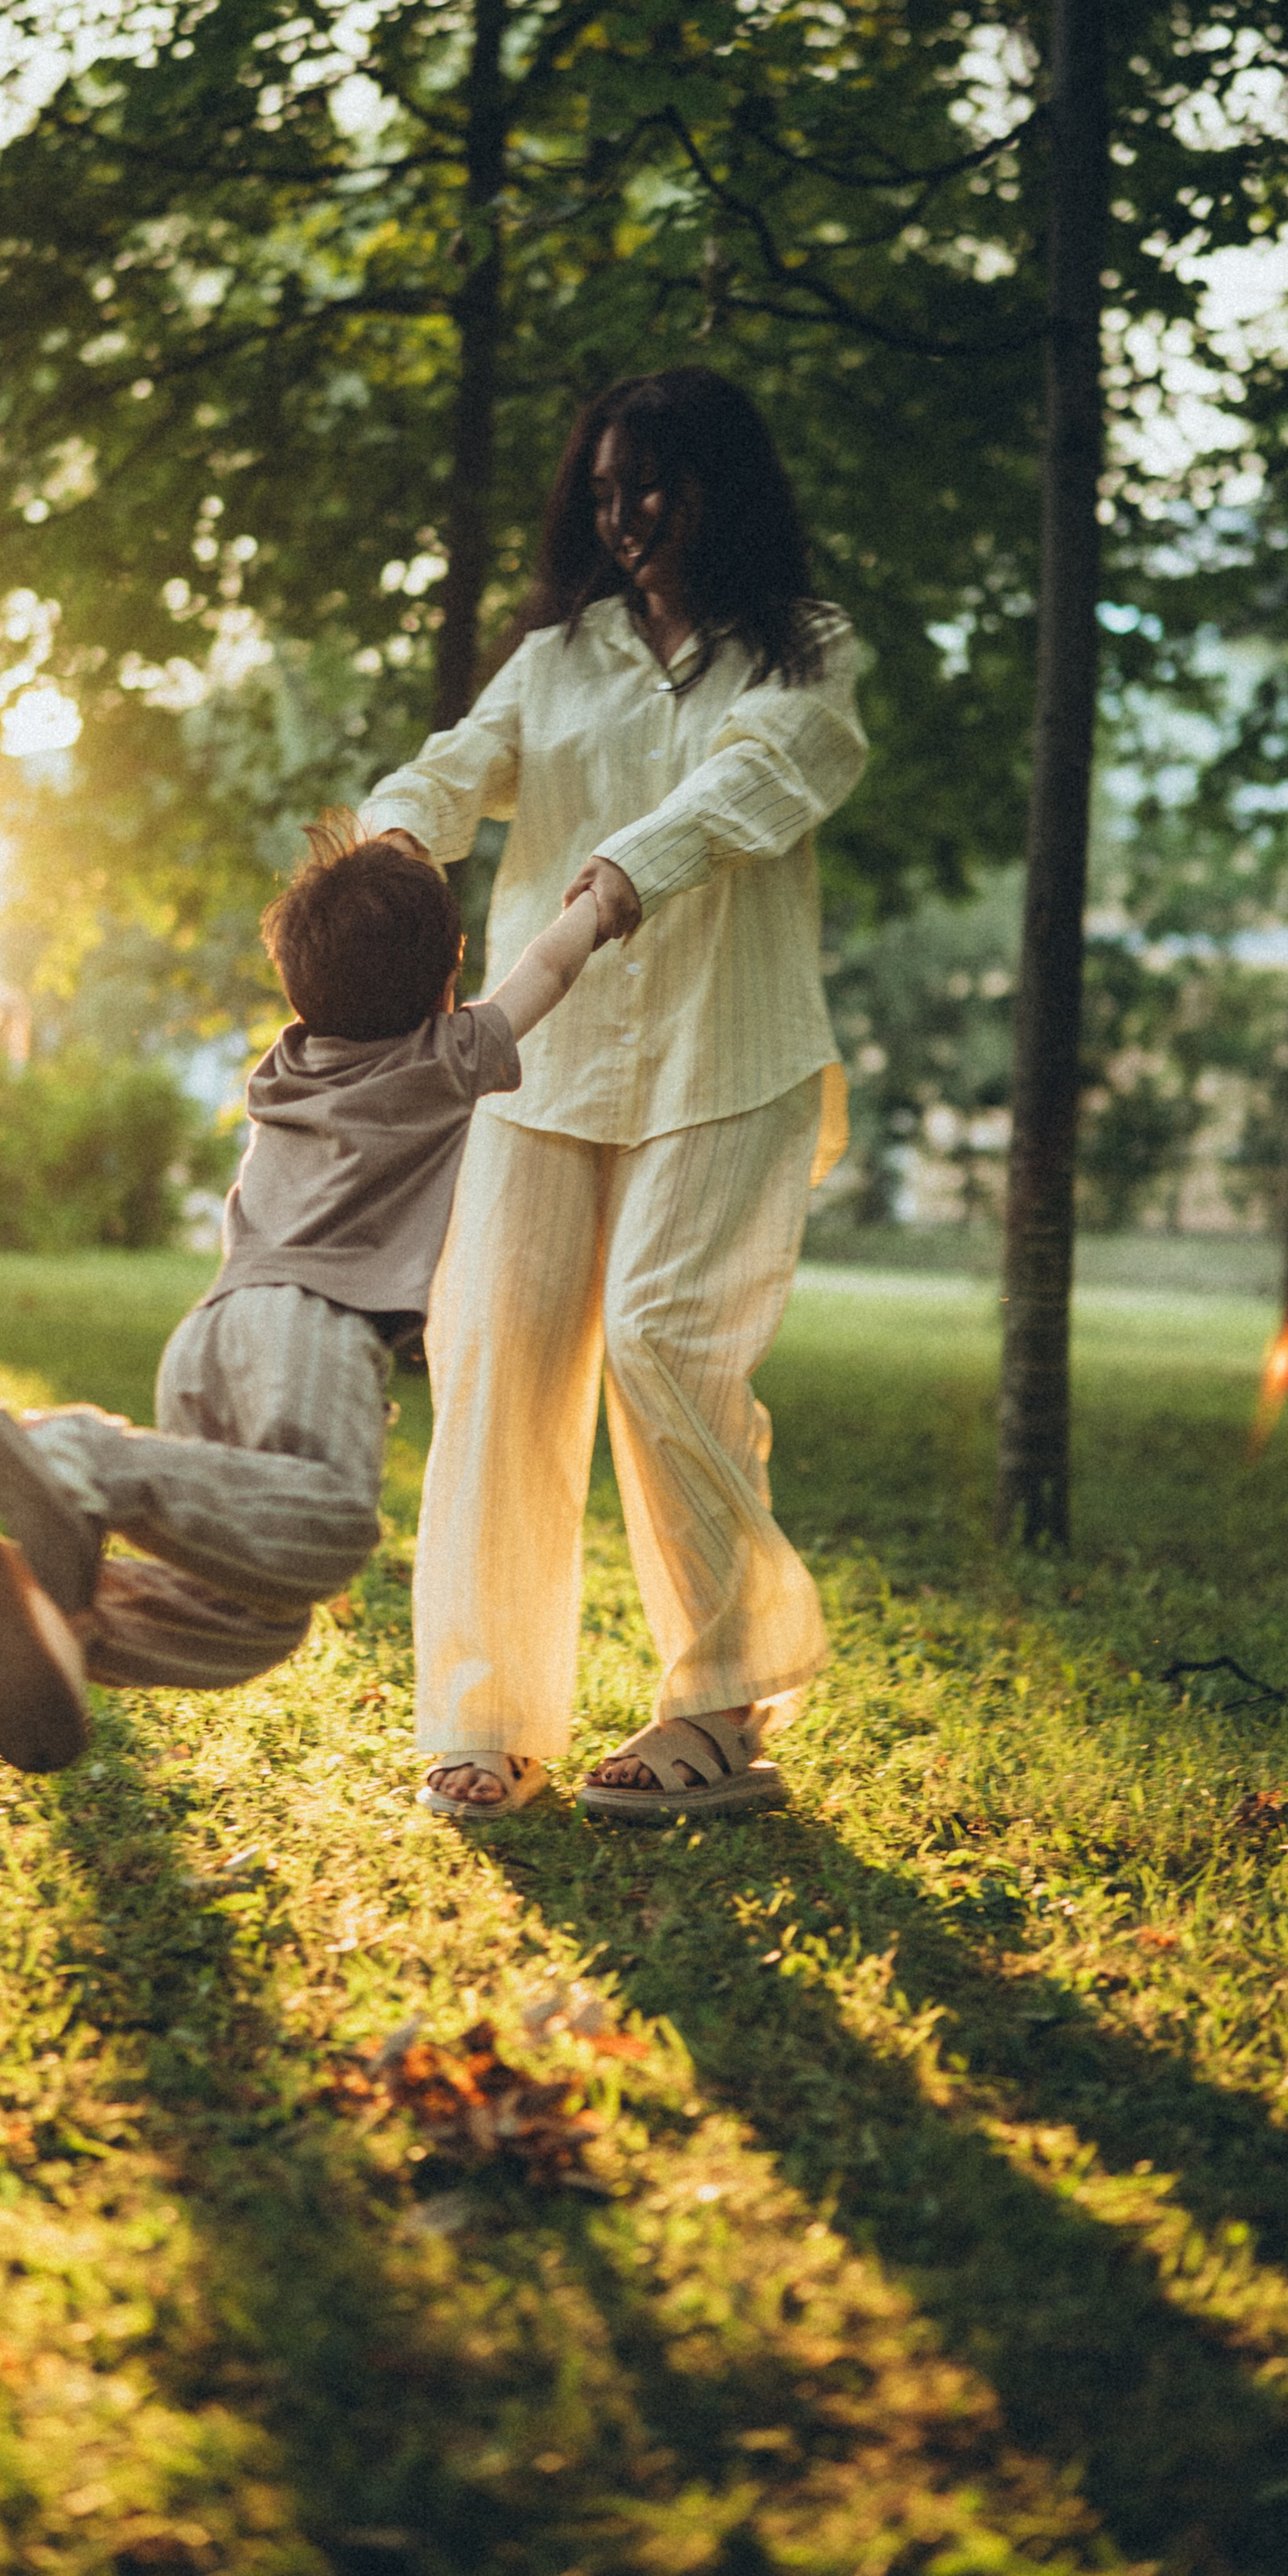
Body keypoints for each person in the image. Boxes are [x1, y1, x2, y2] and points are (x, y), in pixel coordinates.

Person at [359, 364, 868, 1823]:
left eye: (652, 483)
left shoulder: (810, 654)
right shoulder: (561, 654)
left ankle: (719, 1709)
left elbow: (751, 790)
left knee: (661, 1343)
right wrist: (391, 852)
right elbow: (460, 768)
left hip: (728, 1052)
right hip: (543, 1064)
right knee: (496, 1358)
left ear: (724, 485)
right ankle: (482, 1721)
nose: (626, 515)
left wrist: (606, 890)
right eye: (602, 491)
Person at [0, 817, 602, 1779]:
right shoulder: (442, 1060)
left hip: (212, 1334)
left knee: (257, 1622)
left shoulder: (284, 1063)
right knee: (331, 1526)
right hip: (314, 1328)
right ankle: (75, 1455)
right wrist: (594, 909)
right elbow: (543, 975)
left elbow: (368, 968)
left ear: (302, 983)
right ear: (445, 982)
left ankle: (69, 1628)